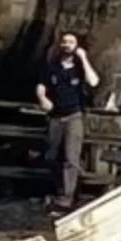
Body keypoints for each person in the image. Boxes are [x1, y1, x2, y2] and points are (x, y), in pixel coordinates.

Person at [36, 32, 99, 209]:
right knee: (52, 155)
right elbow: (41, 85)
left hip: (73, 116)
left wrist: (83, 58)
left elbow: (94, 82)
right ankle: (56, 191)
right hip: (55, 117)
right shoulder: (52, 67)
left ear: (77, 46)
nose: (67, 45)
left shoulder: (80, 68)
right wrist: (42, 98)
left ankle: (67, 196)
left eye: (71, 42)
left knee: (71, 157)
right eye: (64, 42)